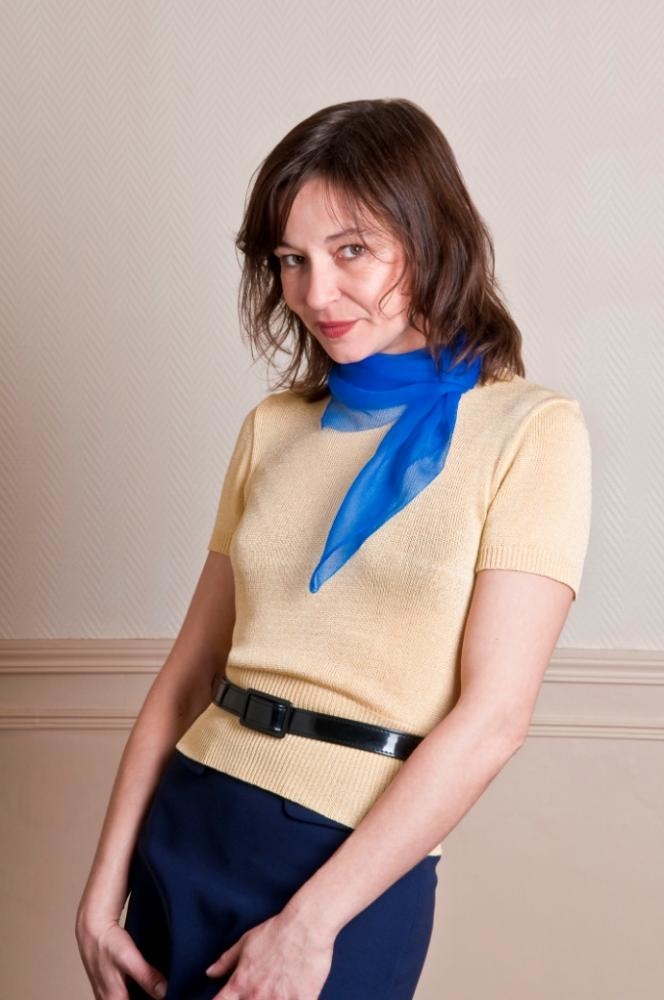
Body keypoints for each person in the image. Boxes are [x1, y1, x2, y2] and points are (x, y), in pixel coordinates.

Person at [75, 97, 592, 1000]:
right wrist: (99, 890)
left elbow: (494, 719)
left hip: (347, 862)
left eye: (351, 249)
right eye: (292, 260)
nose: (316, 294)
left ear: (430, 238)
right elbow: (190, 672)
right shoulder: (272, 427)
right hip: (188, 818)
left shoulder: (531, 430)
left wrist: (313, 921)